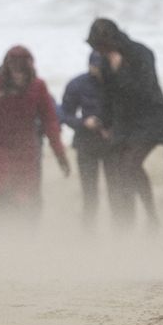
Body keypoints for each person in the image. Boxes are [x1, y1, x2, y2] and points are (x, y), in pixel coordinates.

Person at [86, 18, 163, 231]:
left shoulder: (142, 54)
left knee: (131, 164)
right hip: (125, 121)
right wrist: (103, 122)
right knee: (120, 170)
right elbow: (108, 96)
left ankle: (152, 219)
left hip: (150, 118)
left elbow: (144, 92)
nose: (99, 52)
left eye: (101, 47)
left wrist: (119, 70)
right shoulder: (105, 61)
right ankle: (126, 220)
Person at [0, 46, 70, 219]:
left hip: (26, 150)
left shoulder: (38, 86)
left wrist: (60, 155)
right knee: (3, 191)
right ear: (6, 68)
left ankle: (27, 237)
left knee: (26, 196)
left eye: (22, 71)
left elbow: (50, 122)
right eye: (14, 71)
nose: (18, 76)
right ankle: (6, 236)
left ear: (29, 69)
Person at [59, 52, 108, 228]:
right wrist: (83, 123)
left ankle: (121, 230)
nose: (99, 71)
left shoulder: (118, 84)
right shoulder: (77, 84)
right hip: (86, 142)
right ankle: (89, 230)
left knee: (116, 189)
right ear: (89, 65)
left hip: (112, 143)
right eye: (95, 67)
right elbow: (64, 114)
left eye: (102, 67)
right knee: (89, 191)